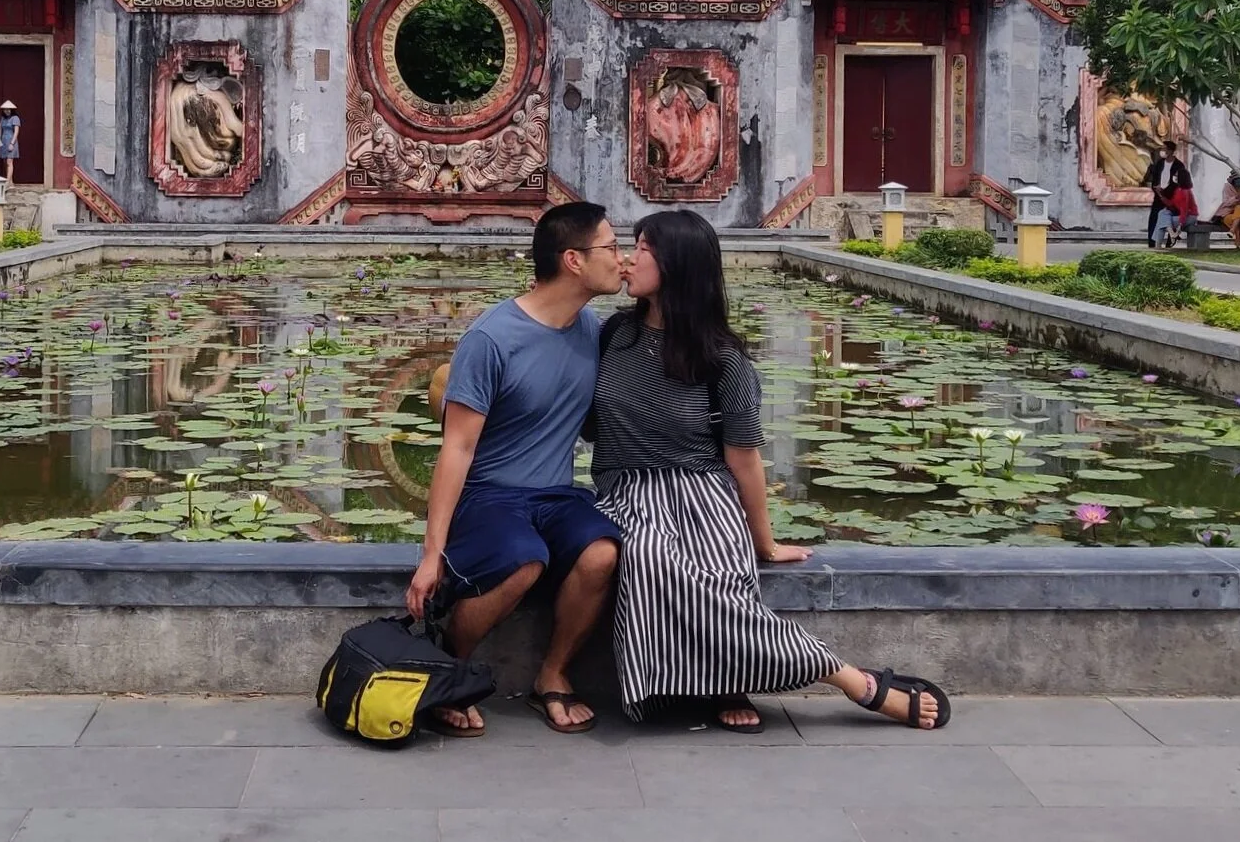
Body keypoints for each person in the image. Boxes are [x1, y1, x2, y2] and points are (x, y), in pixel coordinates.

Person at [592, 209, 947, 734]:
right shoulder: (614, 336)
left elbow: (743, 458)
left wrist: (766, 541)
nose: (629, 255)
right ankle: (848, 678)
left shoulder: (721, 358)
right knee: (650, 557)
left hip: (702, 492)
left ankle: (738, 680)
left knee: (718, 570)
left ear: (676, 263)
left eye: (642, 247)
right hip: (628, 491)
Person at [406, 201, 625, 737]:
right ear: (574, 260)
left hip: (554, 495)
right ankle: (448, 668)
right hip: (490, 496)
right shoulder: (491, 338)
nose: (623, 259)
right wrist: (431, 553)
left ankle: (552, 674)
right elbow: (456, 448)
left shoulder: (591, 329)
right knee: (522, 562)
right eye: (614, 247)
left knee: (602, 554)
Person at [1142, 142, 1191, 248]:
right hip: (1158, 196)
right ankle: (1152, 242)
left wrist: (1165, 191)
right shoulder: (1159, 163)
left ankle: (1170, 241)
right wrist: (1157, 189)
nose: (1162, 151)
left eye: (1164, 148)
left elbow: (1179, 182)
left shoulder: (1179, 165)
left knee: (1169, 217)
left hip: (1172, 197)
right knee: (1154, 218)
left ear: (1170, 150)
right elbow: (1154, 178)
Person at [0, 100, 22, 180]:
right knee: (5, 162)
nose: (7, 111)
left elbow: (16, 131)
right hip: (3, 141)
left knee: (9, 161)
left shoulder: (15, 118)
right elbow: (0, 130)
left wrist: (12, 143)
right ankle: (10, 181)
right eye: (5, 109)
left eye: (8, 109)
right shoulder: (3, 119)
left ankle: (7, 182)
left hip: (11, 140)